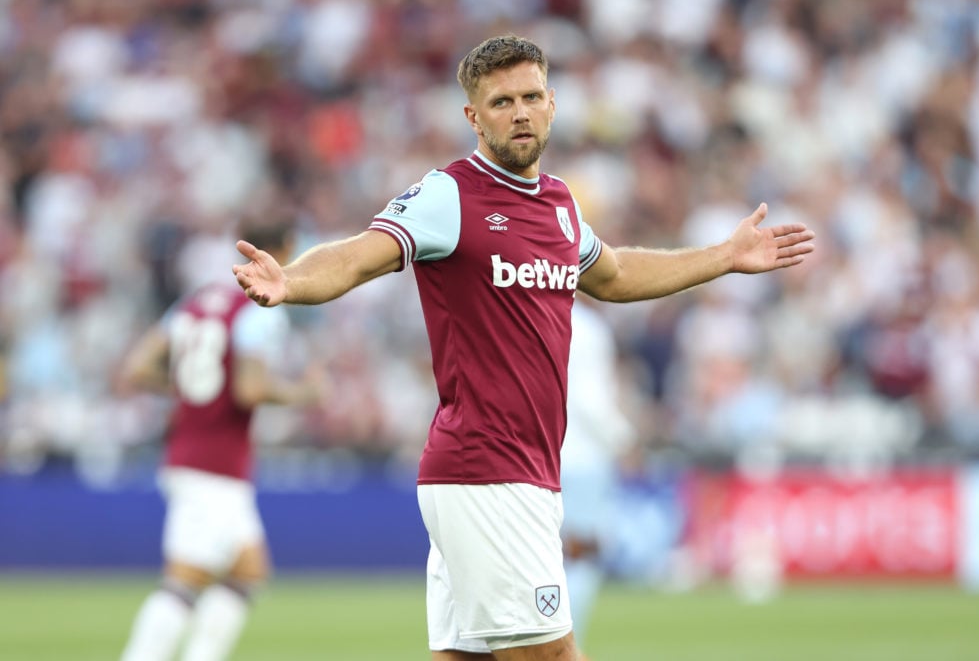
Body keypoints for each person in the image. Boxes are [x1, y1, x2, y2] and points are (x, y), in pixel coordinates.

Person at [233, 34, 815, 661]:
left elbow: (615, 274)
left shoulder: (560, 206)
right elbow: (357, 256)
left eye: (532, 96)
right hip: (486, 470)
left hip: (519, 473)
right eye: (501, 100)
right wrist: (290, 281)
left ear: (553, 103)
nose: (519, 112)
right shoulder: (449, 195)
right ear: (472, 116)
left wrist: (724, 257)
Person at [119, 219, 322, 661]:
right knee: (184, 580)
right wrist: (301, 392)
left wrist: (190, 394)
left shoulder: (197, 301)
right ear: (282, 249)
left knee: (249, 571)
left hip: (191, 454)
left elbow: (138, 366)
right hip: (215, 463)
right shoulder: (258, 307)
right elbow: (248, 390)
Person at [559, 297, 635, 651]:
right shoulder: (587, 327)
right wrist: (624, 439)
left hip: (535, 455)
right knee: (581, 557)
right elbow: (590, 400)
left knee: (539, 559)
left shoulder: (531, 307)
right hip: (582, 458)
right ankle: (565, 646)